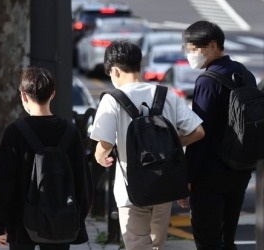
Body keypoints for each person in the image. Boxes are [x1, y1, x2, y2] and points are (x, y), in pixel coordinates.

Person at [89, 40, 205, 250]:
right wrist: (174, 143)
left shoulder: (112, 100)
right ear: (139, 66)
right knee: (156, 246)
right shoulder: (167, 95)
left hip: (130, 192)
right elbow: (198, 132)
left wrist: (99, 157)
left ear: (114, 71)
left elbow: (104, 144)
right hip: (164, 187)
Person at [0, 67, 93, 250]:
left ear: (23, 96)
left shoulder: (14, 132)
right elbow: (83, 181)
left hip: (21, 221)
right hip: (61, 219)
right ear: (53, 94)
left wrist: (0, 224)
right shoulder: (70, 133)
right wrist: (77, 216)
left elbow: (4, 182)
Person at [182, 20, 257, 250]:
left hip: (210, 174)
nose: (190, 54)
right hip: (240, 167)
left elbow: (199, 133)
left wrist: (188, 176)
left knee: (208, 240)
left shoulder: (207, 81)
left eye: (193, 48)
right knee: (227, 239)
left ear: (212, 45)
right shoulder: (244, 73)